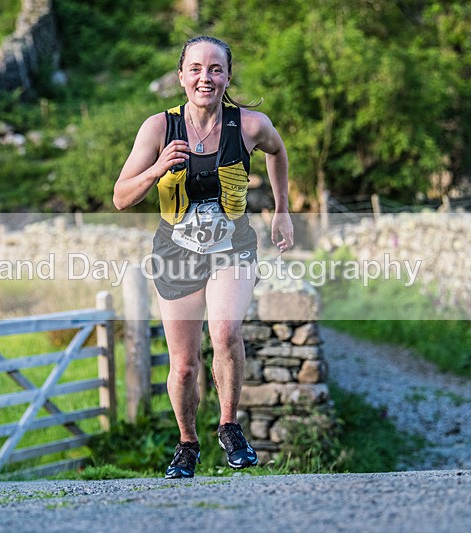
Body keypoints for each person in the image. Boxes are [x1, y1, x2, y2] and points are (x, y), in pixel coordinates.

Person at [114, 36, 293, 478]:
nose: (205, 77)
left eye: (215, 69)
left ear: (228, 76)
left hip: (232, 248)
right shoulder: (158, 128)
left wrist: (282, 210)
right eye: (195, 68)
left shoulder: (249, 126)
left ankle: (230, 426)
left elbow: (279, 152)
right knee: (184, 364)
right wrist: (157, 169)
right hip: (176, 253)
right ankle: (187, 443)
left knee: (227, 331)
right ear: (181, 76)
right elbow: (121, 197)